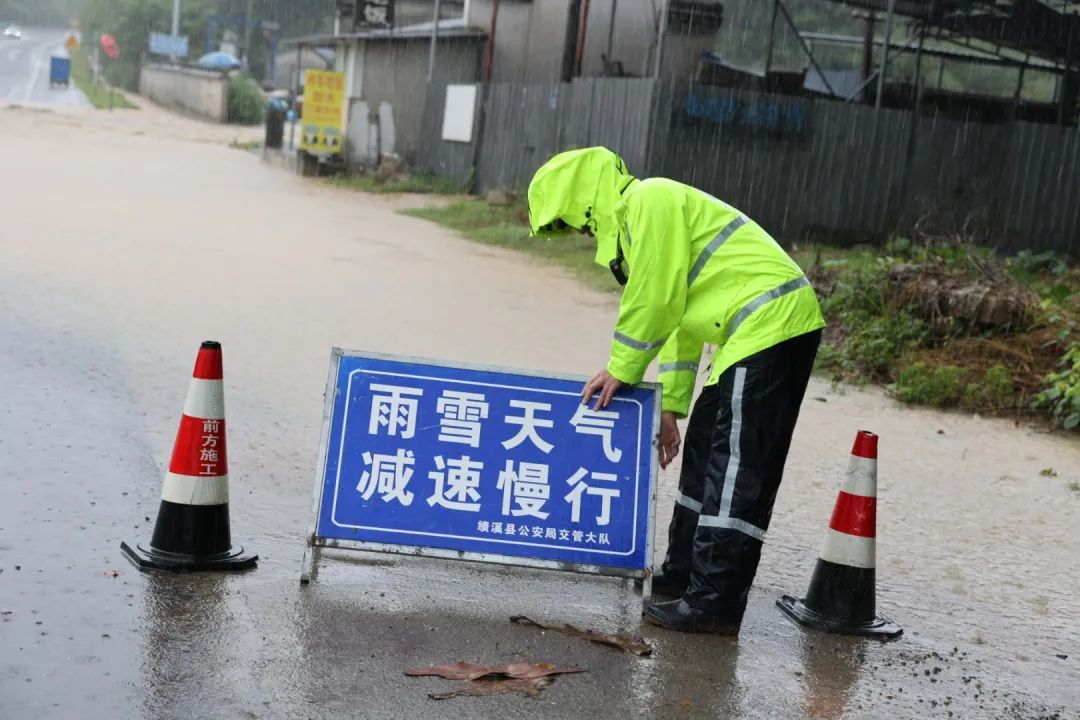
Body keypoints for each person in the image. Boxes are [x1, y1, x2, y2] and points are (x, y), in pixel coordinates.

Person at [527, 147, 825, 634]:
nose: (582, 234)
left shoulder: (649, 200)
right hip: (746, 335)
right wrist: (669, 405)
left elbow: (656, 300)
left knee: (735, 471)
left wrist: (621, 369)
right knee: (705, 448)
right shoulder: (639, 223)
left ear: (584, 200)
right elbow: (680, 323)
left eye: (575, 223)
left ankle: (714, 603)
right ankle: (685, 573)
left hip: (772, 324)